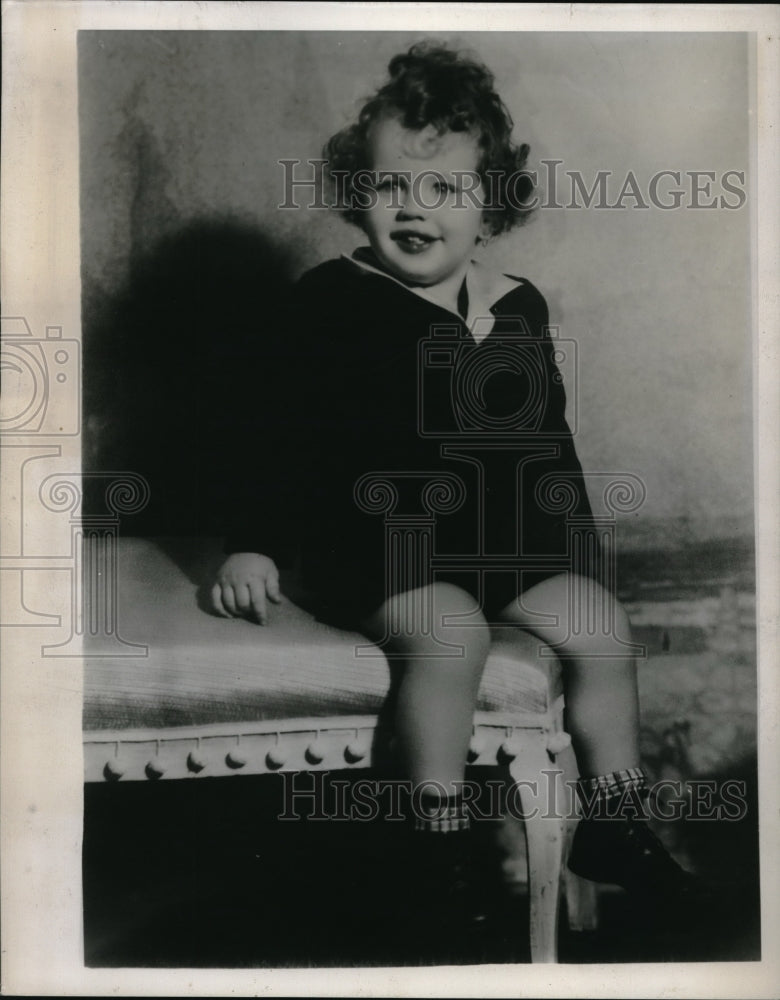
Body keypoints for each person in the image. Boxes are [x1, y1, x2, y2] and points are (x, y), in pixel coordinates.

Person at [210, 42, 704, 941]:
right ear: (356, 190)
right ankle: (435, 837)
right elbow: (272, 434)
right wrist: (255, 540)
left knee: (600, 623)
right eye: (393, 184)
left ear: (492, 206)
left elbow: (550, 446)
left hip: (498, 545)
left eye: (446, 190)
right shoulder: (331, 302)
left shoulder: (517, 305)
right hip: (372, 548)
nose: (414, 207)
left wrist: (575, 555)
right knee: (451, 631)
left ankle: (617, 819)